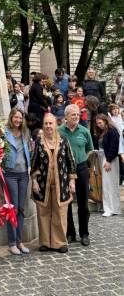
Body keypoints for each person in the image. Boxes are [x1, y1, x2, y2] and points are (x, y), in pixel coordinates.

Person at [31, 113, 76, 253]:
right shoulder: (39, 142)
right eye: (46, 124)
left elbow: (70, 161)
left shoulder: (63, 140)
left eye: (51, 123)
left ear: (55, 125)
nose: (48, 126)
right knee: (43, 213)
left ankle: (60, 242)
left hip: (61, 184)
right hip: (42, 184)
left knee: (60, 213)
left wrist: (72, 180)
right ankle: (45, 242)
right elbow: (34, 163)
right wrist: (34, 181)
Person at [59, 104, 94, 246]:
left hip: (81, 168)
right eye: (73, 114)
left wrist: (82, 160)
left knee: (83, 203)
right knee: (67, 203)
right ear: (66, 116)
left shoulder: (85, 131)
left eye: (78, 115)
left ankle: (84, 233)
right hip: (65, 170)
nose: (76, 117)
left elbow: (90, 150)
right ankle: (70, 233)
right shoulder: (59, 131)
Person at [4, 108, 31, 255]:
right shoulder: (4, 132)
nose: (18, 120)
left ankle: (20, 241)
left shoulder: (25, 133)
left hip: (23, 174)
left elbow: (29, 151)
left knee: (21, 208)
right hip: (10, 174)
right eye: (16, 117)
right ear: (11, 117)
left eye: (20, 118)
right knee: (12, 209)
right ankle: (12, 242)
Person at [95, 114, 121, 216]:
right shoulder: (105, 131)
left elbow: (114, 146)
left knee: (109, 184)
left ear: (105, 121)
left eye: (100, 123)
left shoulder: (112, 131)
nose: (98, 125)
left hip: (110, 159)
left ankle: (110, 209)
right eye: (97, 123)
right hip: (107, 158)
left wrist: (108, 160)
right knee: (109, 184)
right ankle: (113, 208)